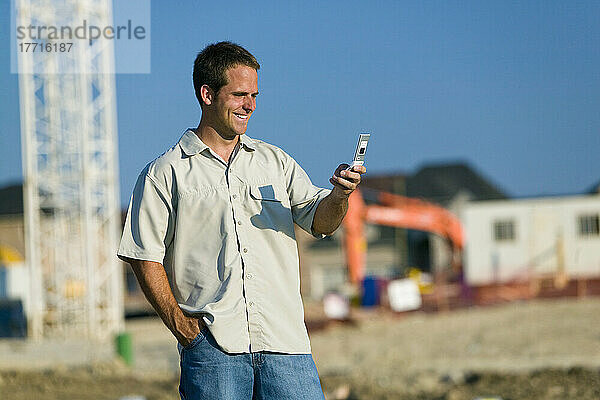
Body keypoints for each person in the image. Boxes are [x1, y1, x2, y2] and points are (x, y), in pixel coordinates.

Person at [117, 41, 366, 400]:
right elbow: (143, 255)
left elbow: (321, 222)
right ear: (207, 94)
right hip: (214, 350)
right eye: (239, 94)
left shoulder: (275, 161)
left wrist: (340, 196)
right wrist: (185, 329)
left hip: (287, 346)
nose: (249, 105)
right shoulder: (165, 173)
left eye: (254, 95)